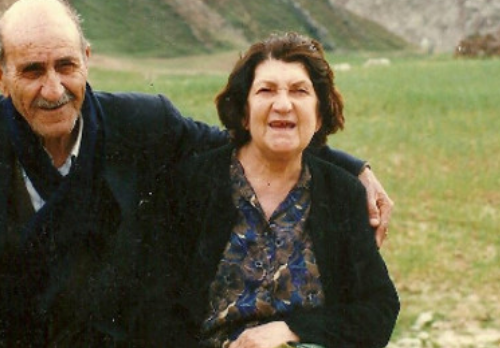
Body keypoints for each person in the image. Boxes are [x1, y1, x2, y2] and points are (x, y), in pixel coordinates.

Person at [0, 0, 392, 347]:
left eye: (66, 66)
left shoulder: (143, 123)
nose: (53, 89)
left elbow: (240, 142)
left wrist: (353, 169)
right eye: (32, 71)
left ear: (87, 60)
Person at [144, 33, 399, 348]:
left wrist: (292, 330)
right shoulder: (190, 186)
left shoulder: (341, 193)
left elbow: (379, 309)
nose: (283, 105)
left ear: (319, 116)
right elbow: (152, 310)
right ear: (244, 113)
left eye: (299, 91)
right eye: (266, 90)